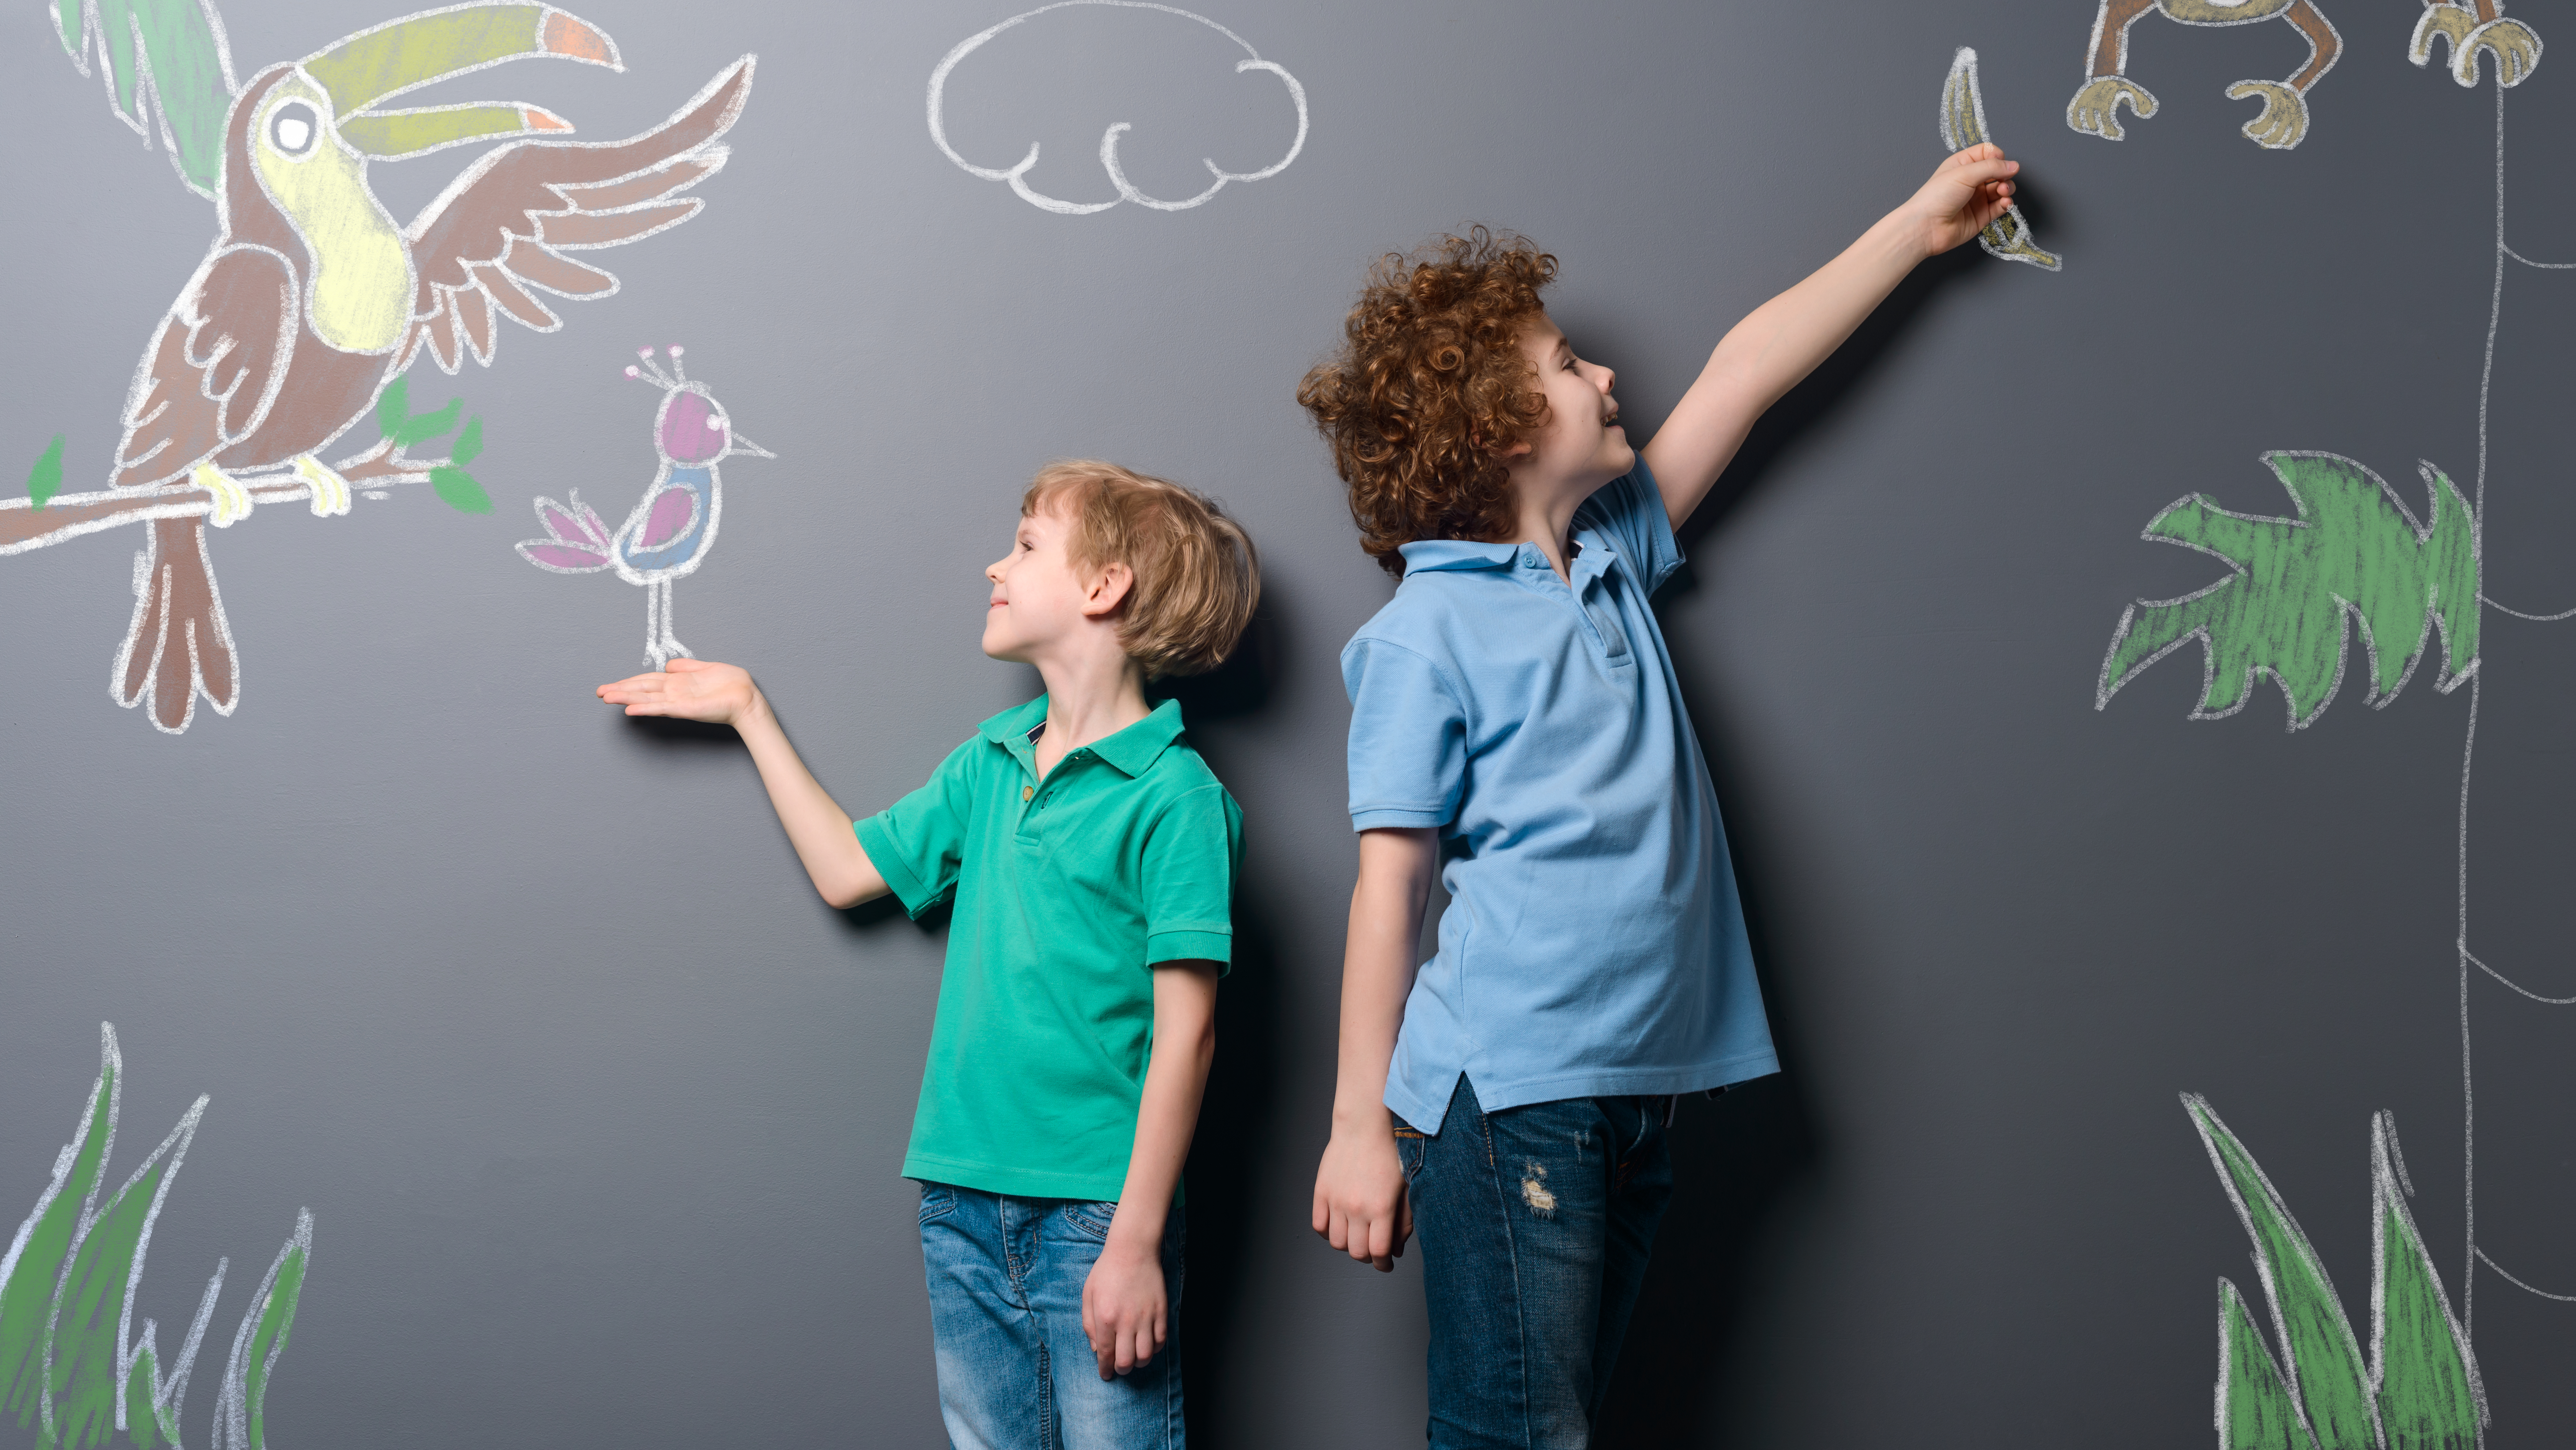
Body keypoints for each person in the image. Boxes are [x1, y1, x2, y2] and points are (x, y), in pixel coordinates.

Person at [1297, 144, 2022, 1446]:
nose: (1608, 374)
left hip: (1638, 1091)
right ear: (1510, 430)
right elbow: (1387, 895)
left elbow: (1746, 367)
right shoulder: (1425, 634)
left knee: (1550, 1429)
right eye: (1573, 365)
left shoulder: (1612, 554)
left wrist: (1915, 230)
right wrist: (1360, 1129)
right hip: (1512, 1096)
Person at [598, 460, 1259, 1449]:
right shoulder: (992, 759)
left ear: (1103, 585)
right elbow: (847, 871)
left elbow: (1189, 1038)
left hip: (1095, 1215)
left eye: (1026, 545)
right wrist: (748, 712)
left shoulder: (1176, 796)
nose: (995, 565)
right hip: (959, 1198)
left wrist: (1135, 1242)